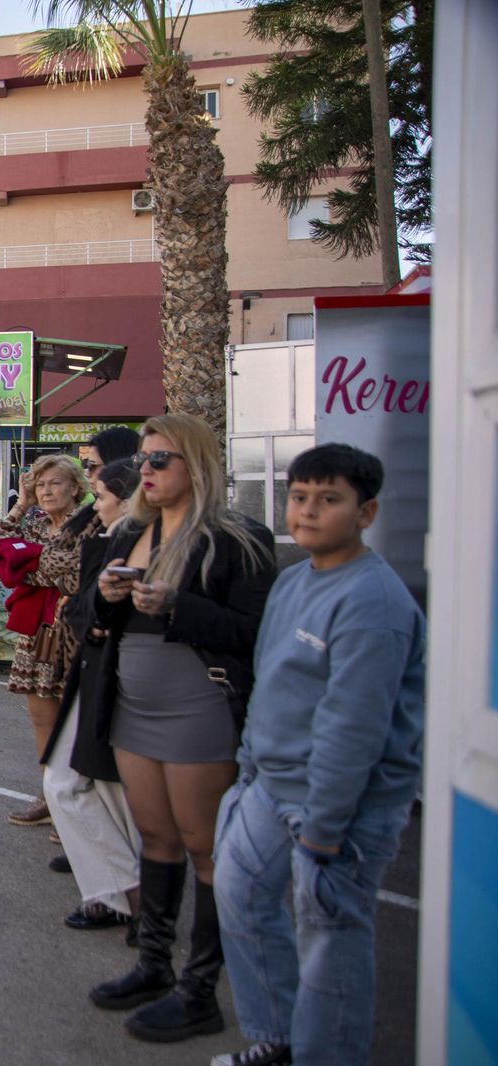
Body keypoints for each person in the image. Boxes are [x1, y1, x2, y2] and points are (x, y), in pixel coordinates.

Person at [211, 445, 424, 1066]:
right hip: (270, 785)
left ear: (367, 512)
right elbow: (271, 680)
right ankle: (277, 1039)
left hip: (337, 807)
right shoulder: (297, 577)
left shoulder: (373, 603)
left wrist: (327, 829)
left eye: (328, 499)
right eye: (299, 496)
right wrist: (250, 769)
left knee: (332, 939)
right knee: (242, 896)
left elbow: (352, 727)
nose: (307, 511)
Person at [83, 414, 276, 1043]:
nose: (147, 470)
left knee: (206, 847)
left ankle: (200, 991)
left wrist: (177, 605)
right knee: (156, 838)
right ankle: (154, 966)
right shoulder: (130, 530)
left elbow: (253, 634)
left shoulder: (236, 538)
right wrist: (106, 596)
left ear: (198, 466)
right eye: (144, 458)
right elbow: (91, 612)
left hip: (199, 705)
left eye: (161, 459)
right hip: (133, 703)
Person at [43, 459, 144, 936]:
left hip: (116, 677)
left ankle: (126, 892)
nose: (96, 507)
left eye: (100, 494)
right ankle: (116, 892)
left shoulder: (124, 538)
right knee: (79, 783)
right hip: (90, 667)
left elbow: (58, 577)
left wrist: (85, 605)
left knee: (79, 785)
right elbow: (80, 604)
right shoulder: (106, 533)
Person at [0, 455, 92, 829]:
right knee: (41, 718)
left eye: (55, 484)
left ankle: (77, 805)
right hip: (37, 631)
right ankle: (49, 796)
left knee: (75, 720)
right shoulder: (34, 522)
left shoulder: (91, 524)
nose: (47, 491)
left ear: (75, 487)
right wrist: (22, 504)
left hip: (73, 634)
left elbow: (78, 572)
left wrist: (30, 565)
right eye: (41, 485)